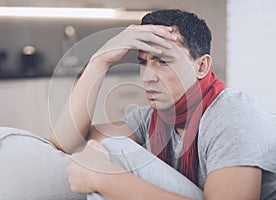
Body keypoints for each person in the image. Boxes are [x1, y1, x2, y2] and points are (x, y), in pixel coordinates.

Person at [50, 9, 276, 200]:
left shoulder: (233, 118)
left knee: (110, 155)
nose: (147, 76)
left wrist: (104, 178)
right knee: (106, 150)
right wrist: (101, 60)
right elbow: (67, 143)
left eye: (162, 61)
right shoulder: (151, 119)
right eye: (144, 62)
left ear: (201, 66)